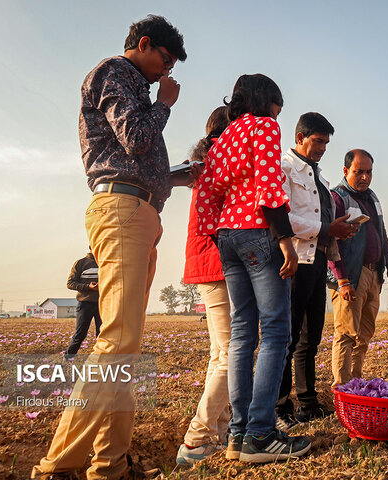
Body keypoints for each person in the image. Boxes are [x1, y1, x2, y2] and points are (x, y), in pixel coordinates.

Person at [32, 15, 187, 480]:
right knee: (118, 340)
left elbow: (135, 154)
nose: (166, 73)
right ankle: (58, 467)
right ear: (143, 45)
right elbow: (137, 140)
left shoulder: (134, 86)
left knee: (126, 347)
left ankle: (109, 466)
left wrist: (177, 175)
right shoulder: (113, 73)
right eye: (164, 61)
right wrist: (165, 105)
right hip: (121, 210)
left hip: (138, 210)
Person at [194, 74, 311, 463]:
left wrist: (219, 235)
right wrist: (284, 240)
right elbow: (270, 184)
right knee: (277, 329)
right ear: (267, 101)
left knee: (243, 332)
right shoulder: (263, 126)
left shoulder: (224, 136)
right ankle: (261, 432)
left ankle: (239, 434)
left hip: (226, 234)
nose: (280, 112)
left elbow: (208, 193)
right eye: (278, 104)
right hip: (258, 232)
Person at [275, 112, 357, 430]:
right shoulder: (284, 168)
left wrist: (339, 229)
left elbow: (323, 222)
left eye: (326, 142)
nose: (322, 147)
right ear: (300, 138)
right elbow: (282, 217)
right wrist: (326, 226)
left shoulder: (319, 178)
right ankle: (280, 407)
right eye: (317, 141)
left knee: (310, 338)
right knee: (286, 338)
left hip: (318, 260)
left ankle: (307, 403)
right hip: (293, 260)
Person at [176, 107, 233, 466]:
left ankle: (221, 430)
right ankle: (197, 438)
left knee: (220, 353)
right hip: (219, 262)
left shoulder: (206, 160)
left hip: (207, 261)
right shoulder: (222, 159)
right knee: (231, 353)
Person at [327, 149, 388, 387]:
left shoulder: (372, 198)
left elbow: (382, 232)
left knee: (364, 335)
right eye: (359, 172)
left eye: (369, 172)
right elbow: (331, 242)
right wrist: (343, 280)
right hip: (351, 275)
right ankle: (342, 389)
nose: (365, 177)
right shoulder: (338, 198)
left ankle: (355, 385)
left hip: (373, 273)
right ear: (346, 171)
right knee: (346, 334)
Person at [64, 249, 101, 360]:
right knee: (80, 334)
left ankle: (101, 359)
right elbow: (70, 283)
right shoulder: (81, 263)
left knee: (102, 334)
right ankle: (68, 358)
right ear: (91, 246)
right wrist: (88, 287)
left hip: (103, 304)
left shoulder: (105, 262)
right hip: (85, 303)